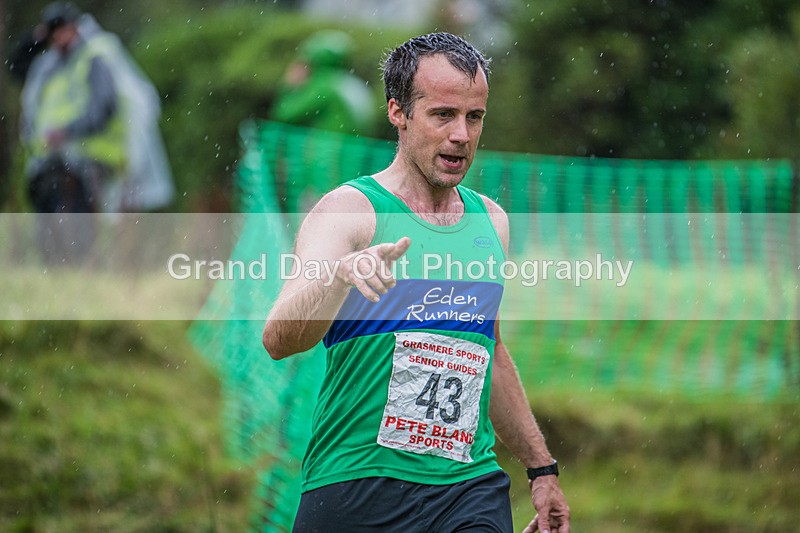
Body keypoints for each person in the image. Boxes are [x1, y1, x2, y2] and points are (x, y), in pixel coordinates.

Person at [262, 32, 570, 533]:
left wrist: (541, 469)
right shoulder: (349, 212)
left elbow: (487, 348)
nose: (461, 135)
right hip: (358, 483)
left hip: (467, 487)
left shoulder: (491, 223)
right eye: (443, 115)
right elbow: (278, 338)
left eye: (474, 118)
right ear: (398, 113)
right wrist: (339, 277)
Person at [18, 2, 174, 262]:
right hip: (56, 157)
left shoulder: (94, 57)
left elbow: (103, 108)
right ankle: (60, 265)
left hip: (93, 155)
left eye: (61, 30)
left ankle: (81, 264)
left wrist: (67, 131)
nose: (57, 38)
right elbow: (17, 67)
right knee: (51, 209)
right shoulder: (51, 64)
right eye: (53, 32)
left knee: (80, 214)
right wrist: (35, 38)